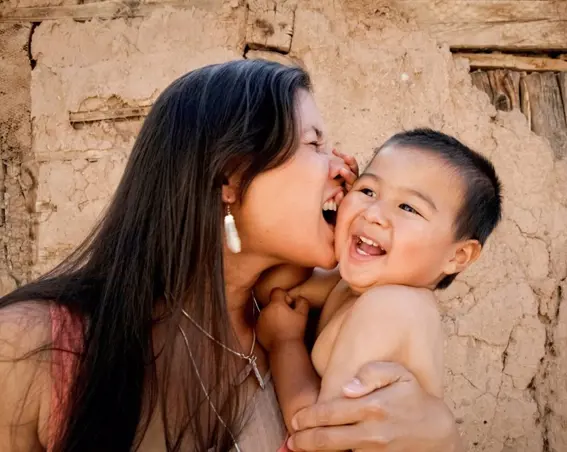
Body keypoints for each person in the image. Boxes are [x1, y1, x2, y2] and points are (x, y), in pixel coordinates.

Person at [0, 59, 462, 452]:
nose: (348, 168)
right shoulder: (32, 350)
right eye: (316, 144)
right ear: (231, 178)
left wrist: (442, 436)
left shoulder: (318, 330)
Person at [255, 129, 502, 450]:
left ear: (457, 255)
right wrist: (333, 210)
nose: (373, 215)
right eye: (369, 191)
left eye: (408, 208)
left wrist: (284, 343)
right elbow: (273, 288)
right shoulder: (354, 284)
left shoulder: (393, 307)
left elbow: (320, 432)